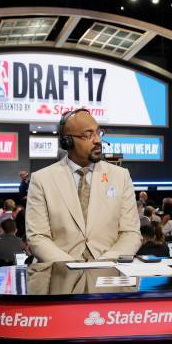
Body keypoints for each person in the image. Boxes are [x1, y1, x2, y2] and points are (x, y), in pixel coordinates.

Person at [26, 108, 141, 263]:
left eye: (98, 133)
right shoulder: (42, 180)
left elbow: (131, 233)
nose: (97, 140)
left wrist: (105, 262)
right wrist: (72, 266)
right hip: (61, 275)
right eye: (88, 135)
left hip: (109, 272)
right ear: (68, 141)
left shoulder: (121, 176)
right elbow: (37, 237)